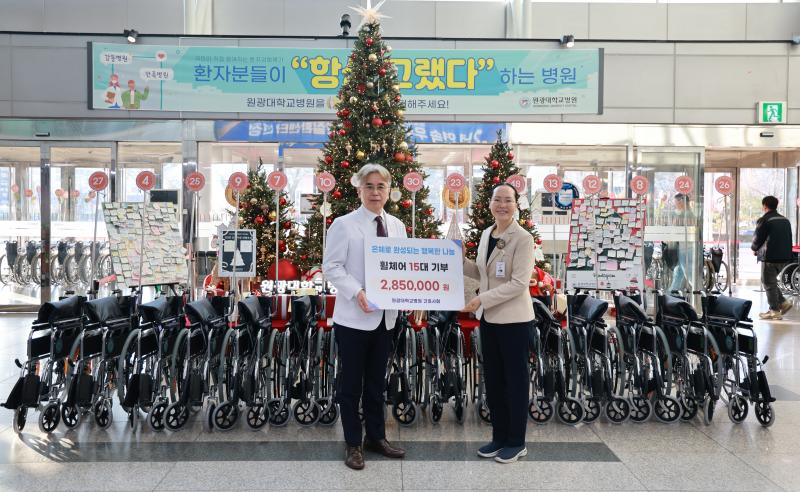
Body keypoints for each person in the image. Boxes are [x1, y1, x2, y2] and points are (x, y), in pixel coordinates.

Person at [322, 164, 407, 470]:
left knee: (376, 383)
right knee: (351, 386)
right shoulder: (344, 224)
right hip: (354, 319)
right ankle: (353, 444)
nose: (375, 192)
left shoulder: (397, 226)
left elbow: (403, 268)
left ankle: (376, 437)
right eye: (369, 186)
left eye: (380, 187)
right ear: (359, 190)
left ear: (388, 191)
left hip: (386, 319)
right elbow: (331, 266)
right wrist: (357, 292)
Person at [462, 183, 536, 464]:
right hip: (490, 320)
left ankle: (517, 441)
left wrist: (481, 300)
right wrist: (457, 260)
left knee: (514, 383)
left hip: (514, 320)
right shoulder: (486, 234)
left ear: (516, 204)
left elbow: (518, 283)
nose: (502, 205)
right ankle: (499, 436)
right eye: (497, 199)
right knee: (493, 380)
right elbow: (481, 273)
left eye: (508, 200)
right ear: (490, 203)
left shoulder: (523, 238)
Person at [752, 195, 793, 320]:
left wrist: (754, 248)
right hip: (784, 257)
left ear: (764, 206)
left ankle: (774, 310)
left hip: (770, 256)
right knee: (771, 282)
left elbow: (758, 237)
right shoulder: (785, 220)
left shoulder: (765, 220)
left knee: (768, 282)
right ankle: (783, 303)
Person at [668, 193, 695, 293]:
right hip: (685, 246)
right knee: (679, 271)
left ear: (681, 201)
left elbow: (676, 229)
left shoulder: (685, 214)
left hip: (685, 247)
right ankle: (672, 293)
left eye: (676, 201)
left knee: (689, 273)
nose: (675, 204)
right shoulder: (689, 213)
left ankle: (699, 293)